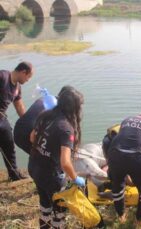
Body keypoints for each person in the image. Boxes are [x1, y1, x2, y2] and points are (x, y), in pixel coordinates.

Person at [28, 86, 87, 229]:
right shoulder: (66, 128)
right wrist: (75, 179)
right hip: (50, 175)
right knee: (60, 207)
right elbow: (65, 163)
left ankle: (44, 225)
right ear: (74, 108)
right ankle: (57, 226)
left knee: (45, 201)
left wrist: (47, 148)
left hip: (34, 167)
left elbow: (32, 137)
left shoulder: (45, 115)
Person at [0, 61, 34, 181]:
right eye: (28, 77)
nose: (28, 80)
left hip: (2, 119)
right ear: (23, 72)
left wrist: (29, 125)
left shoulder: (17, 88)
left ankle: (14, 175)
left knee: (9, 145)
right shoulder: (3, 76)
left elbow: (19, 107)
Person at [14, 86, 71, 155]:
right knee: (43, 158)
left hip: (17, 131)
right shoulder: (57, 108)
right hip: (27, 136)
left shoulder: (44, 98)